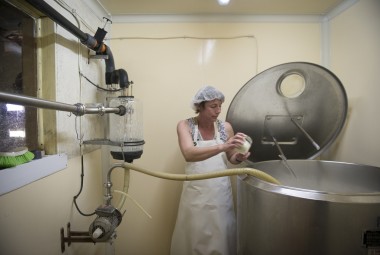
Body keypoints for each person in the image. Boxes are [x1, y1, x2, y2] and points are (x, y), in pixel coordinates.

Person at [170, 86, 251, 255]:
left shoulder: (225, 127)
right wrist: (223, 145)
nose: (218, 111)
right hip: (195, 194)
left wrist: (239, 157)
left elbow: (231, 157)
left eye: (220, 106)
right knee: (194, 235)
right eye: (213, 106)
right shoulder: (185, 125)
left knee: (220, 235)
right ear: (200, 106)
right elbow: (189, 154)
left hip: (220, 193)